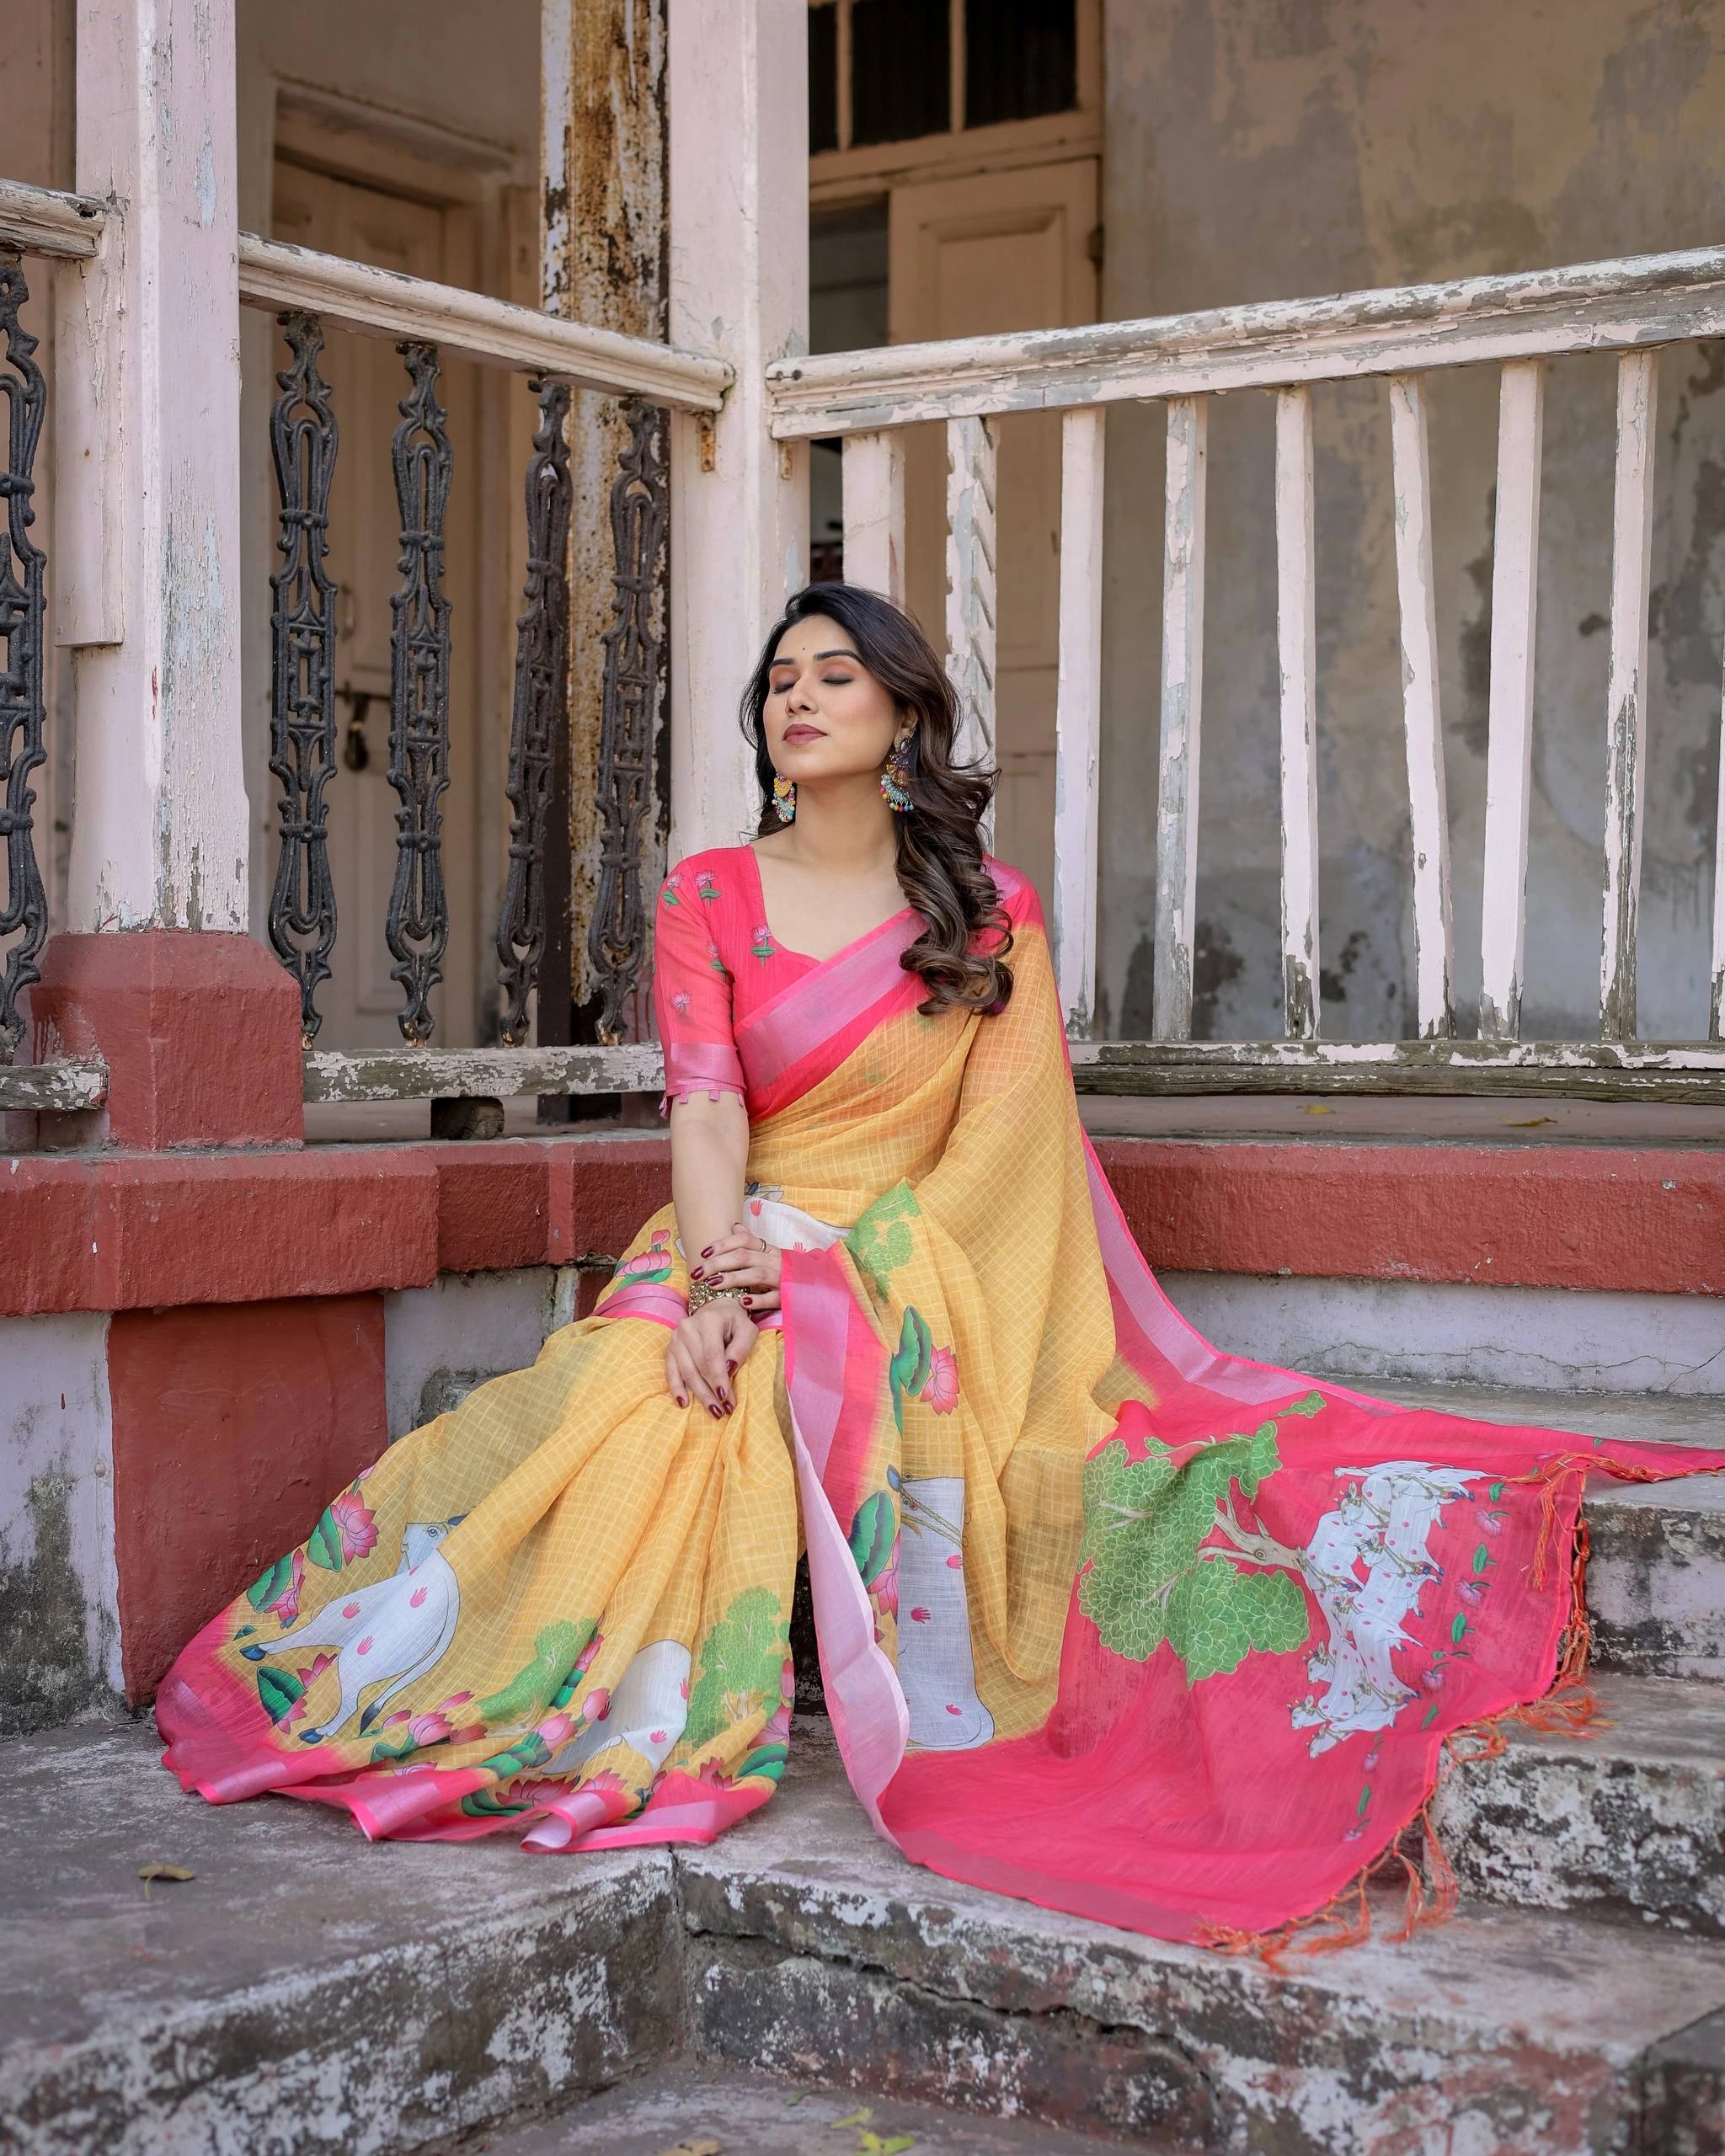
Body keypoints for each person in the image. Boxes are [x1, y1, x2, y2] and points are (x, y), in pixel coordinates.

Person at [158, 584, 1717, 1948]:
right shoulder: (707, 893)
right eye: (780, 678)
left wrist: (855, 1266)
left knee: (788, 1351)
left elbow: (1003, 1161)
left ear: (904, 712)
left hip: (919, 1259)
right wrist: (715, 1279)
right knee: (638, 1385)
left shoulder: (985, 913)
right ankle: (484, 1682)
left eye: (833, 673)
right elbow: (704, 1111)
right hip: (736, 1235)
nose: (797, 697)